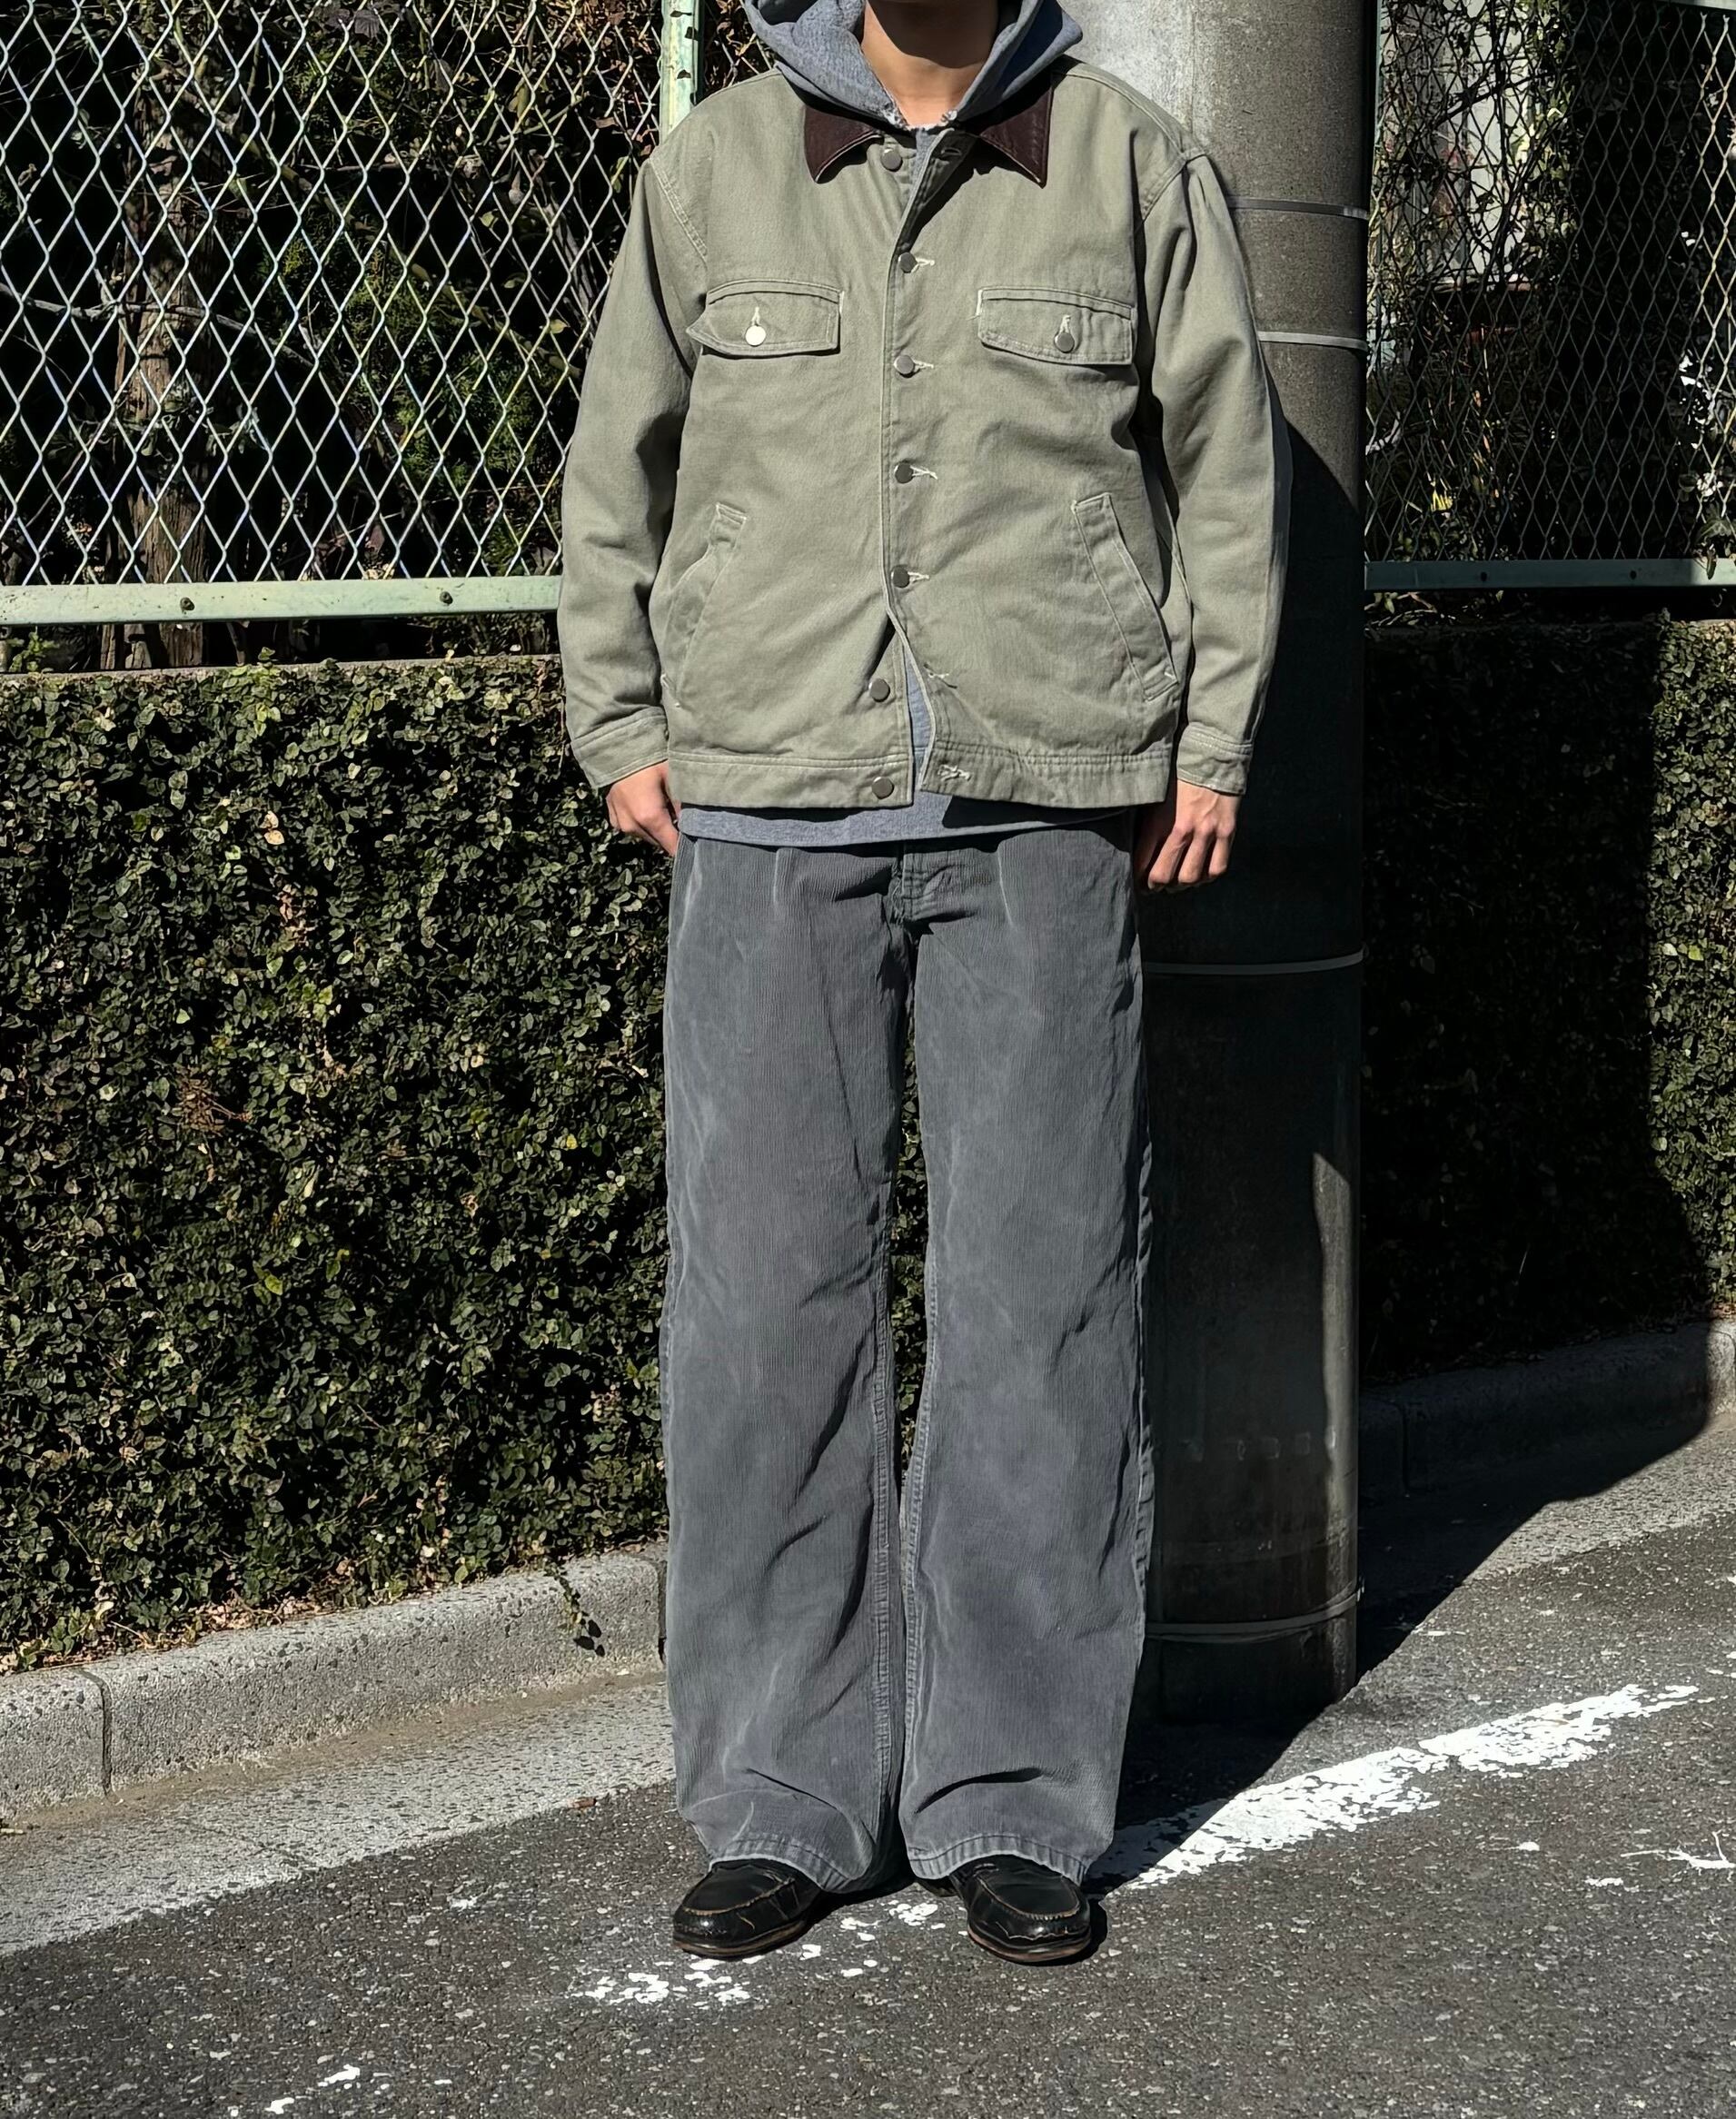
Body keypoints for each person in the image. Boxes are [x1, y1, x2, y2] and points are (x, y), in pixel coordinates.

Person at [556, 0, 1289, 1966]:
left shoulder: (1125, 160)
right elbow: (618, 462)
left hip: (1048, 790)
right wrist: (618, 716)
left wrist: (1211, 738)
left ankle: (1011, 1793)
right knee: (760, 1305)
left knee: (1046, 1297)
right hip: (767, 791)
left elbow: (1226, 468)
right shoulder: (712, 167)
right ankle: (781, 1791)